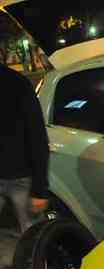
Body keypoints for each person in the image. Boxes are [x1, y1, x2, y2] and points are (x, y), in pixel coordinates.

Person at [0, 64, 50, 233]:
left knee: (34, 234)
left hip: (21, 177)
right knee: (34, 236)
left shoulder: (16, 83)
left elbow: (36, 135)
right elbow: (37, 135)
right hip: (21, 174)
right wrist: (40, 188)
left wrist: (39, 189)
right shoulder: (18, 82)